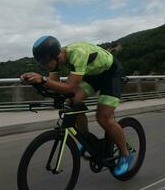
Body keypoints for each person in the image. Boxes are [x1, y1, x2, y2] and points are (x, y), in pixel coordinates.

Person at [20, 35, 133, 176]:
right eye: (41, 64)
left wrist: (42, 79)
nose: (44, 66)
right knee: (72, 103)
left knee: (103, 117)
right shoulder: (54, 61)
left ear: (55, 56)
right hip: (93, 75)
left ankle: (126, 154)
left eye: (45, 63)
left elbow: (69, 88)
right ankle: (86, 139)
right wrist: (34, 81)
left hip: (110, 74)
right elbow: (54, 86)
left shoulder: (77, 53)